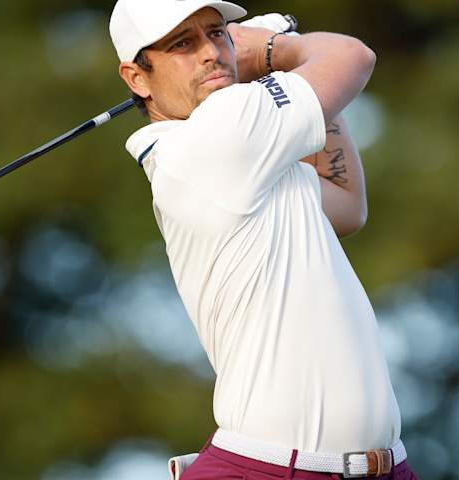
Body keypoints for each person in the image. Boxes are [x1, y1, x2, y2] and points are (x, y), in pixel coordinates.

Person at [109, 1, 419, 478]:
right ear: (137, 78)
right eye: (183, 44)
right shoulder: (214, 136)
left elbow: (345, 204)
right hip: (270, 470)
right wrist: (276, 50)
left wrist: (277, 67)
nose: (211, 52)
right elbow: (353, 56)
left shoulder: (245, 153)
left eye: (217, 34)